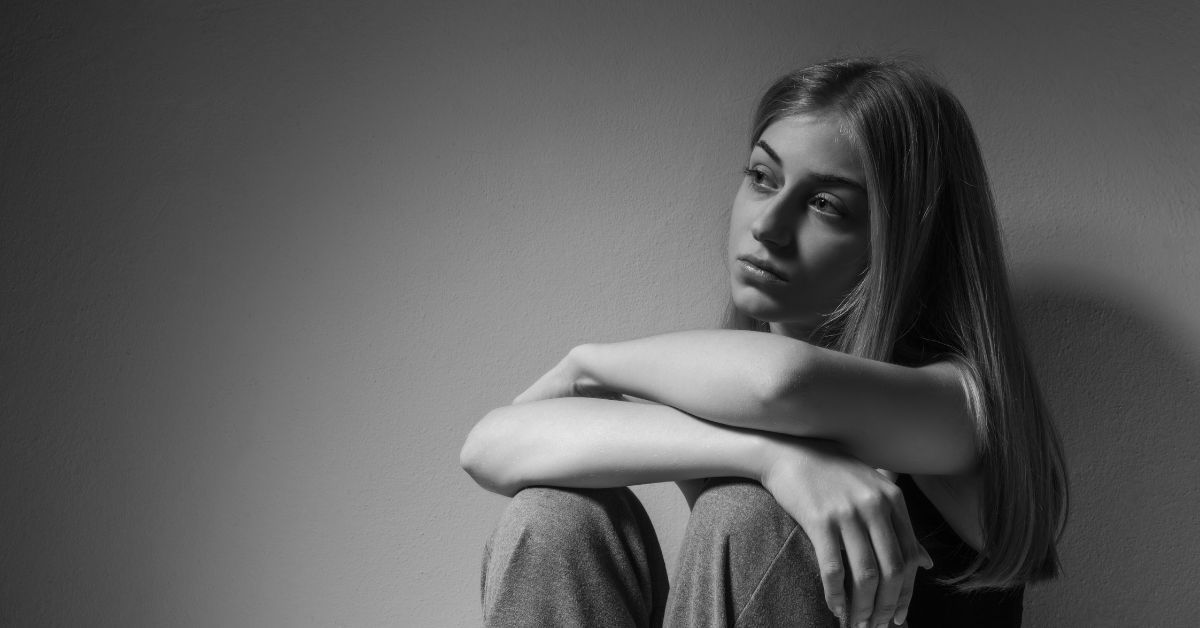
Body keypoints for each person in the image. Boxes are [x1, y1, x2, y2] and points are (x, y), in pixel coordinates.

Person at [460, 57, 1068, 627]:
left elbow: (782, 384)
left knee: (749, 517)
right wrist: (772, 458)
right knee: (554, 517)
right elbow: (488, 446)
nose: (768, 225)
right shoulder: (729, 397)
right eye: (761, 176)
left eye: (826, 204)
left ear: (907, 241)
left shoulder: (962, 408)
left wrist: (593, 365)